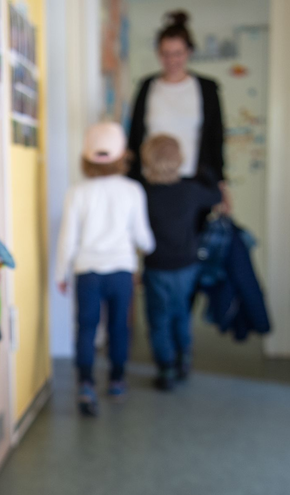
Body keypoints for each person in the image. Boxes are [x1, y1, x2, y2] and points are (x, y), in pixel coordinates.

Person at [56, 123, 155, 417]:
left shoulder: (77, 192)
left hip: (87, 271)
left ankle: (85, 384)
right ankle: (116, 381)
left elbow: (67, 238)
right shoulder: (133, 191)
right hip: (122, 271)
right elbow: (143, 238)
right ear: (123, 156)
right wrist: (149, 247)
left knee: (86, 328)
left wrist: (61, 274)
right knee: (118, 328)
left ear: (85, 158)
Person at [140, 135, 229, 391]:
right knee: (181, 314)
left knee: (158, 318)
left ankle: (165, 367)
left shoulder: (144, 192)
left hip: (156, 266)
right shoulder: (190, 191)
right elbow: (214, 196)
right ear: (179, 160)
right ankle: (184, 359)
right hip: (187, 265)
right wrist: (207, 173)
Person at [128, 11, 226, 187]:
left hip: (194, 181)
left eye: (178, 53)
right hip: (150, 181)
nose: (171, 60)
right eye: (165, 53)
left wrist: (221, 182)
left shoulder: (207, 89)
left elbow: (215, 138)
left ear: (189, 52)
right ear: (158, 52)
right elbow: (134, 137)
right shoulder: (147, 86)